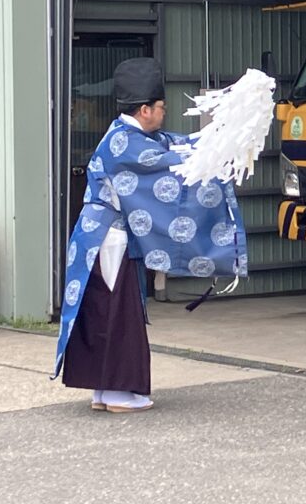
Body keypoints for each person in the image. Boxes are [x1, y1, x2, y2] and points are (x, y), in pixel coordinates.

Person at [53, 57, 247, 413]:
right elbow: (173, 165)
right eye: (161, 107)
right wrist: (212, 159)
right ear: (145, 110)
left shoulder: (135, 137)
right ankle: (116, 391)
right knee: (116, 313)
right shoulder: (124, 143)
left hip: (104, 239)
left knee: (105, 310)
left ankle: (104, 390)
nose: (163, 113)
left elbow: (177, 145)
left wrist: (223, 136)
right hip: (108, 239)